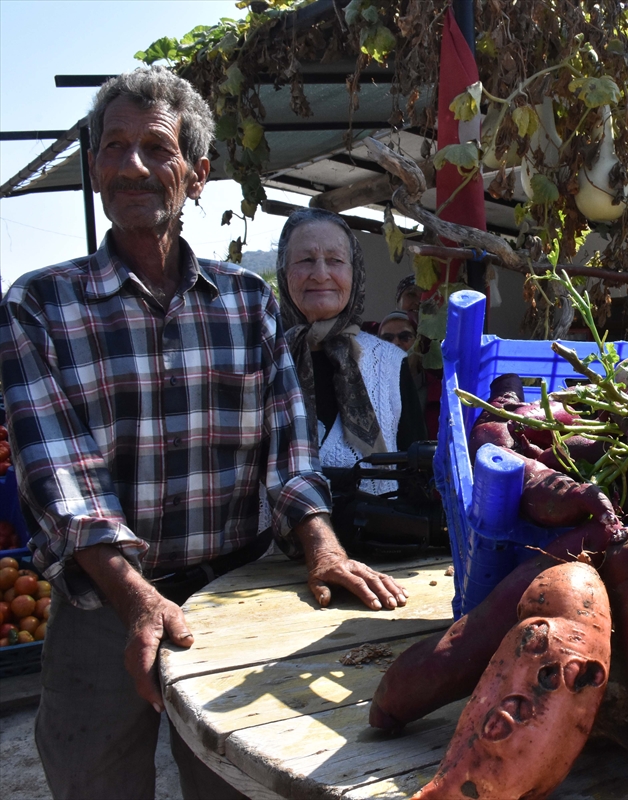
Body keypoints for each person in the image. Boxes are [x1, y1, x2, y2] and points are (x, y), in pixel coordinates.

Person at [0, 67, 406, 800]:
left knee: (235, 784)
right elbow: (62, 480)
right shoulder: (40, 305)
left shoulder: (246, 304)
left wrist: (321, 545)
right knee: (95, 784)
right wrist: (136, 600)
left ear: (197, 174)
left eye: (156, 149)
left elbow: (289, 452)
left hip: (233, 599)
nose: (132, 166)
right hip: (100, 611)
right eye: (113, 147)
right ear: (94, 168)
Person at [275, 207, 408, 495]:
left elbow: (414, 478)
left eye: (335, 260)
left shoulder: (392, 364)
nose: (320, 274)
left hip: (374, 537)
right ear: (284, 271)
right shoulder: (259, 358)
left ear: (355, 272)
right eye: (306, 260)